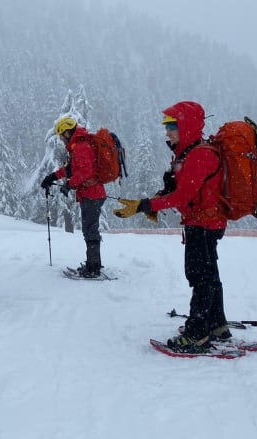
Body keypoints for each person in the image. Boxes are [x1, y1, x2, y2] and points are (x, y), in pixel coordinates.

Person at [112, 101, 230, 353]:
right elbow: (178, 190)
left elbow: (182, 196)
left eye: (173, 125)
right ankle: (217, 325)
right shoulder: (189, 152)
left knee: (200, 276)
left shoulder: (200, 155)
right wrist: (154, 205)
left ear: (187, 126)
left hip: (204, 223)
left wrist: (145, 205)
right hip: (204, 221)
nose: (167, 131)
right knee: (209, 273)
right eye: (166, 125)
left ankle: (197, 334)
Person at [40, 116, 107, 278]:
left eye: (62, 135)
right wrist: (52, 177)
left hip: (92, 194)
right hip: (90, 194)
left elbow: (85, 172)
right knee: (89, 229)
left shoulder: (82, 147)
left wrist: (69, 185)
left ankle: (93, 268)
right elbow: (70, 169)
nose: (61, 139)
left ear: (69, 132)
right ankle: (93, 264)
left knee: (90, 230)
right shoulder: (78, 146)